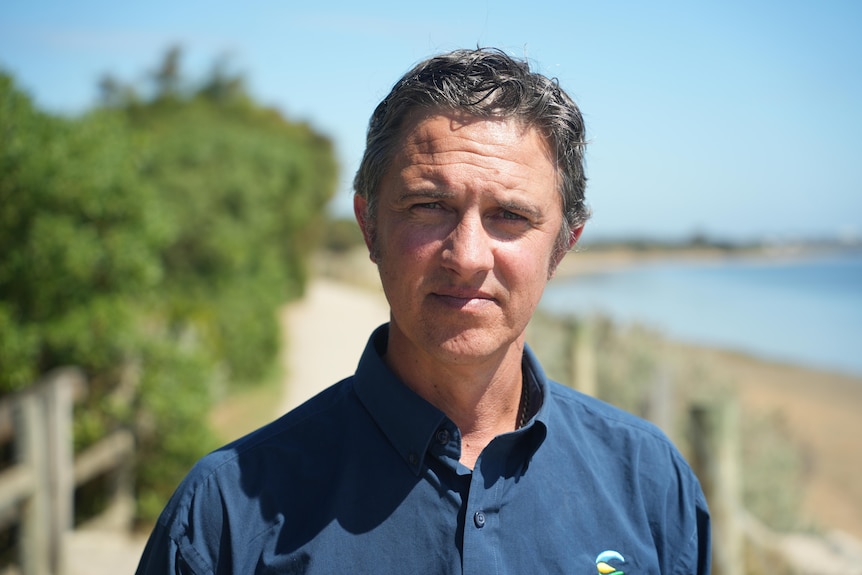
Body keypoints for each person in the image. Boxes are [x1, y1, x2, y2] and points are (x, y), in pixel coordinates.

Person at [136, 48, 711, 574]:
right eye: (429, 207)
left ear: (564, 244)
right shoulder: (223, 513)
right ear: (370, 226)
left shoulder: (649, 484)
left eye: (510, 216)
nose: (465, 257)